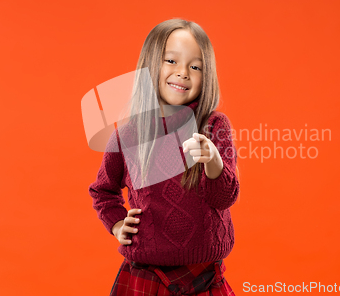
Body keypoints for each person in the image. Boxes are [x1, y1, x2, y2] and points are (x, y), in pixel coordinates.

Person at [88, 18, 240, 295]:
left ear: (207, 75)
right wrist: (117, 224)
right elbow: (102, 190)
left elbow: (224, 198)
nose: (183, 73)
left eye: (195, 67)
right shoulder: (128, 136)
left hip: (205, 274)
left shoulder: (214, 127)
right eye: (171, 61)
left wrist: (214, 161)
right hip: (146, 274)